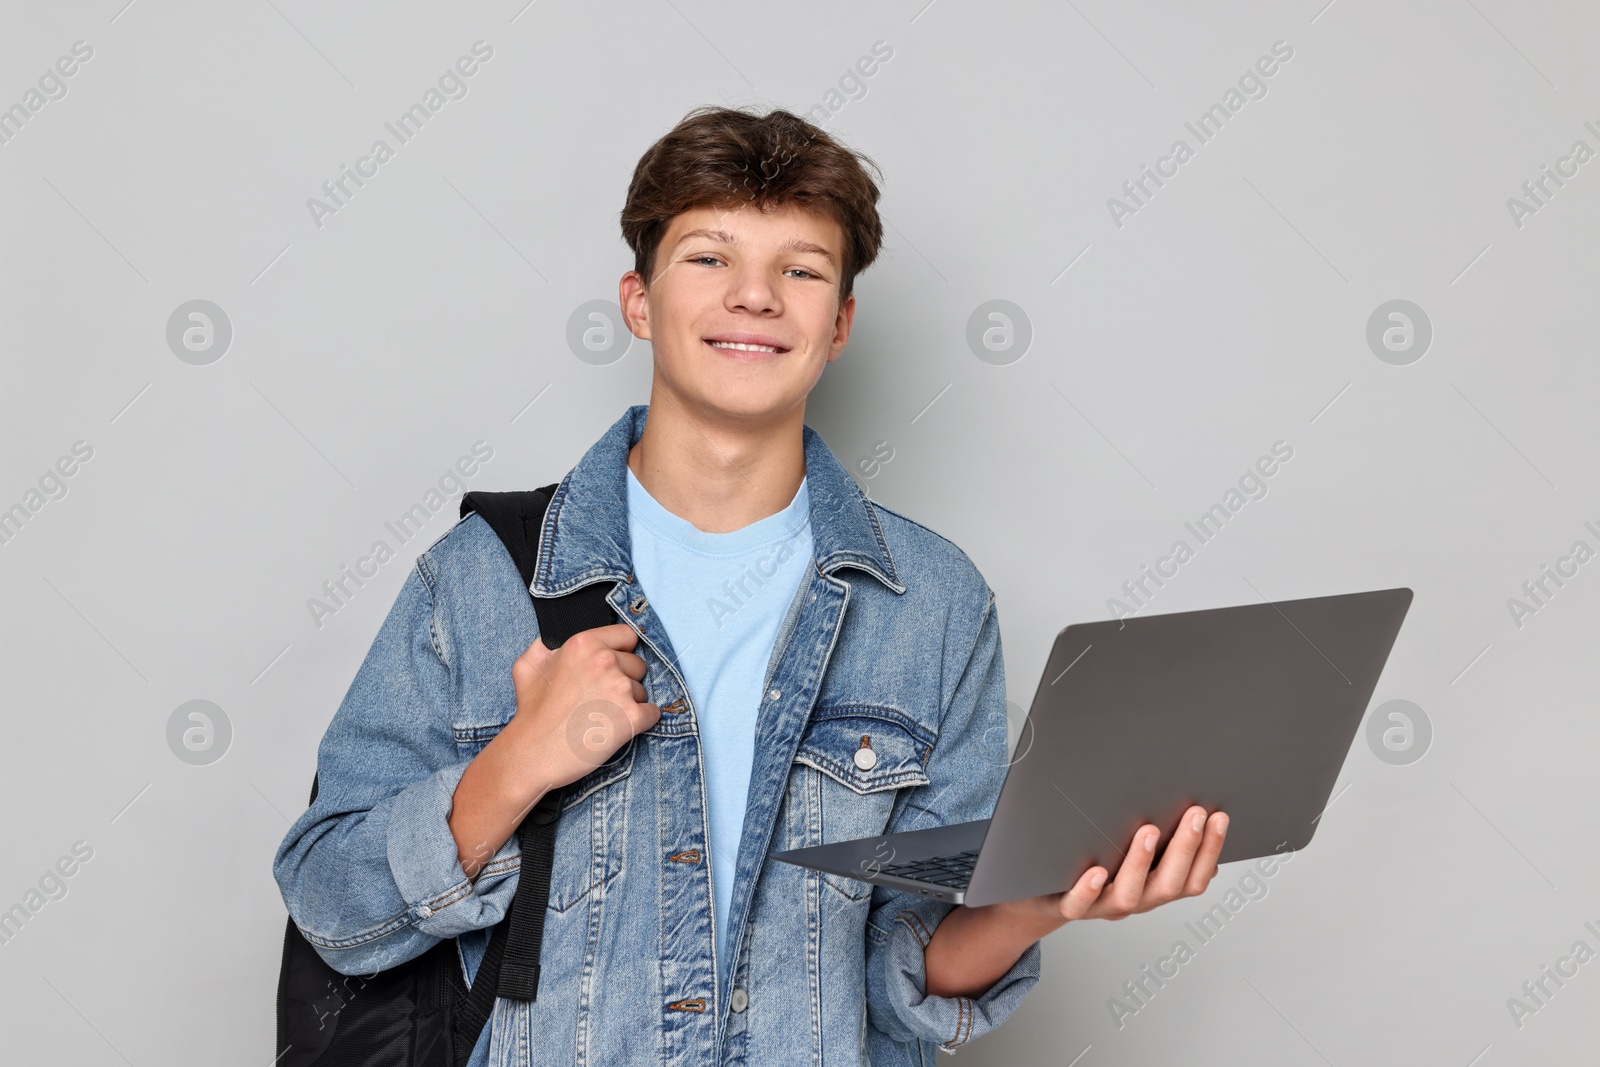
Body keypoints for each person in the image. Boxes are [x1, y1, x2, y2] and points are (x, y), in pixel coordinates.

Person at [273, 105, 1228, 1066]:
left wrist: (1040, 902)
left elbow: (905, 977)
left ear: (840, 323)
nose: (756, 296)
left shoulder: (934, 603)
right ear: (638, 301)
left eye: (801, 269)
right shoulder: (481, 577)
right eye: (709, 258)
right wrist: (516, 763)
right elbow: (331, 905)